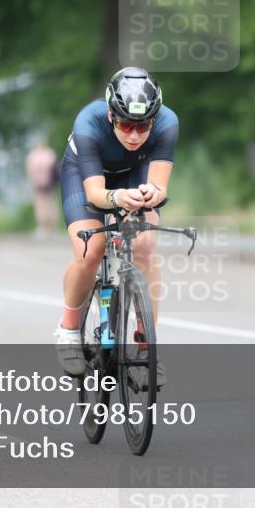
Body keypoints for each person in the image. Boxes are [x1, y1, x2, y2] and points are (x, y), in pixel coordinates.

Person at [54, 67, 178, 386]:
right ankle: (68, 329)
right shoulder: (89, 122)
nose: (134, 135)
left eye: (142, 126)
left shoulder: (168, 123)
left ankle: (143, 348)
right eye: (125, 125)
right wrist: (119, 197)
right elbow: (96, 194)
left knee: (146, 246)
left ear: (154, 119)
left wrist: (152, 194)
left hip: (133, 176)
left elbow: (160, 187)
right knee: (90, 249)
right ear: (111, 115)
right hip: (87, 177)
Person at [25, 136, 60, 239]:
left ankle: (42, 228)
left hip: (38, 183)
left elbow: (29, 170)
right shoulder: (50, 154)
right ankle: (53, 229)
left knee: (40, 205)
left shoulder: (33, 155)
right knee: (51, 205)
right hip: (50, 183)